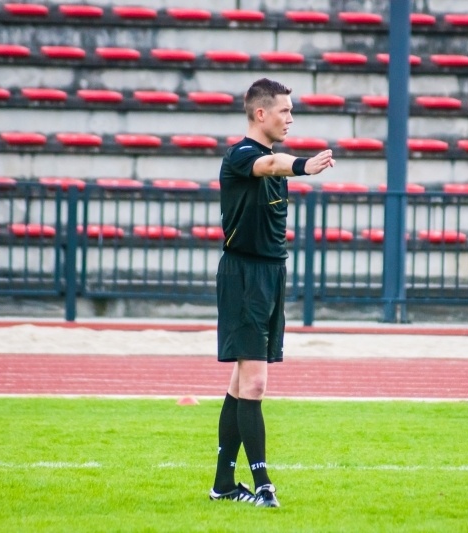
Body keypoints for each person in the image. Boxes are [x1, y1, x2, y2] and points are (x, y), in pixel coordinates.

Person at [209, 78, 336, 508]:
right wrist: (304, 166)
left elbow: (276, 165)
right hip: (244, 276)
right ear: (260, 114)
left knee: (241, 381)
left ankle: (223, 485)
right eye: (284, 110)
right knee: (257, 383)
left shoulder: (271, 156)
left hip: (270, 274)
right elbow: (270, 166)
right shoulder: (242, 154)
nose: (291, 118)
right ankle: (263, 486)